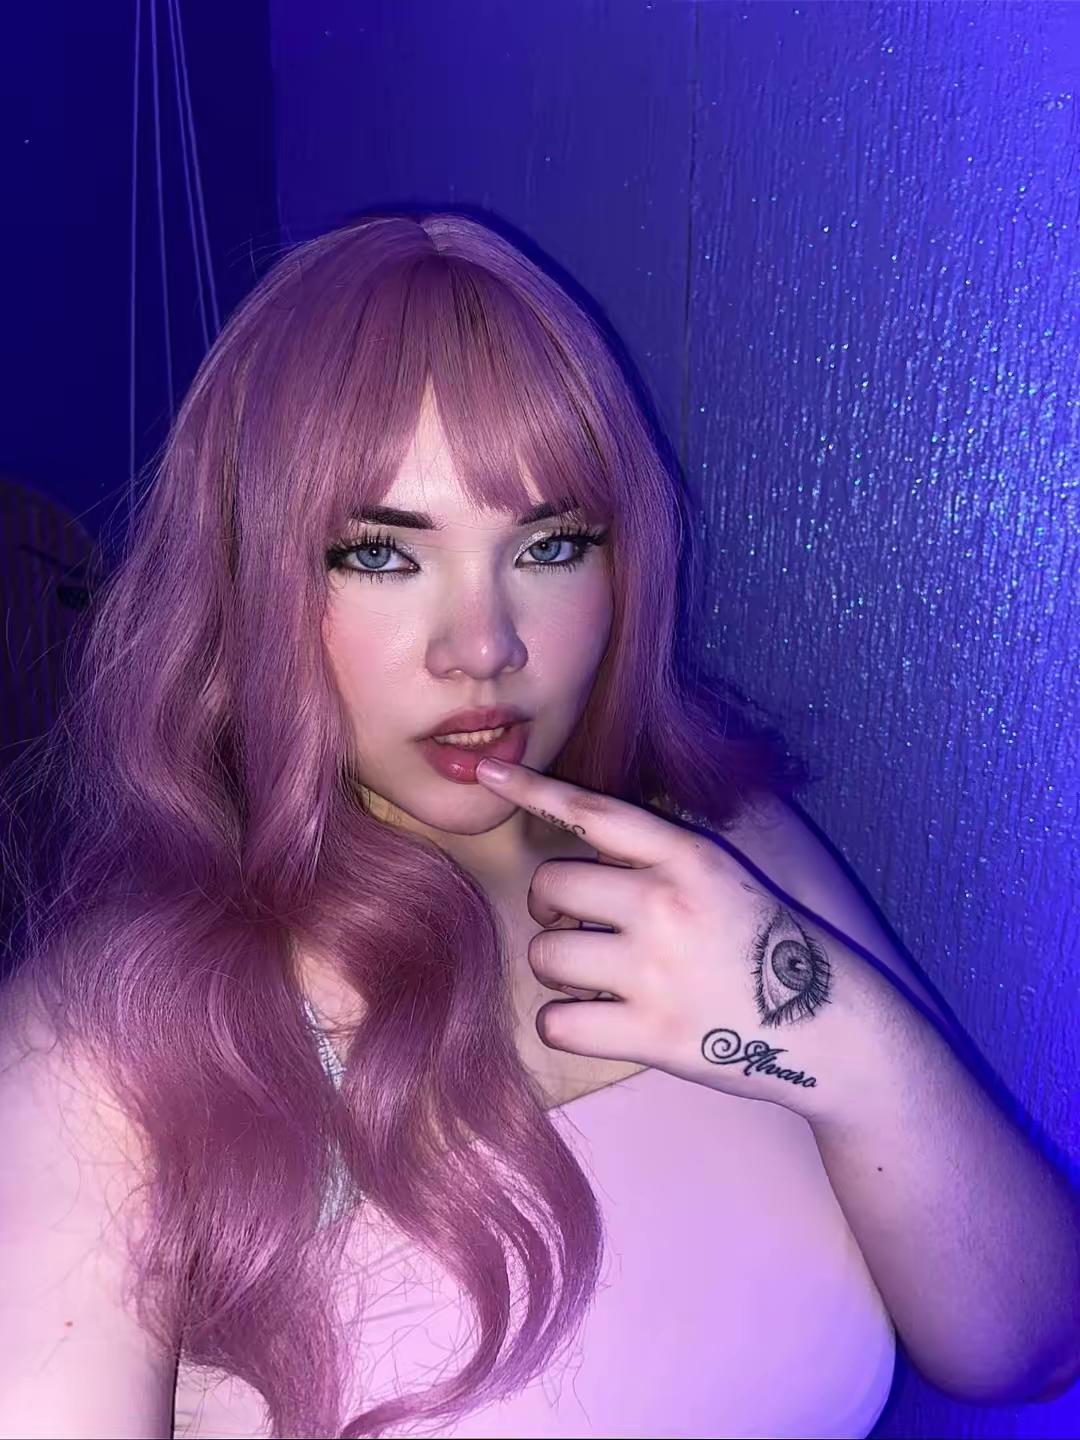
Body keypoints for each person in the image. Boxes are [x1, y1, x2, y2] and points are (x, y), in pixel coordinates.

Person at [0, 212, 898, 1439]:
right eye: (380, 555)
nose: (484, 647)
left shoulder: (724, 844)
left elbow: (1019, 1338)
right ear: (247, 577)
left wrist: (834, 1033)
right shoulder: (102, 1051)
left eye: (551, 543)